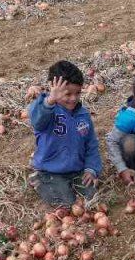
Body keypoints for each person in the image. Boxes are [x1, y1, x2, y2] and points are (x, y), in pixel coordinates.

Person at [29, 60, 102, 207]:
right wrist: (50, 100)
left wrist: (91, 168)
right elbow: (37, 121)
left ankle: (75, 179)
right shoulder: (45, 108)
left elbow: (91, 144)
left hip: (77, 169)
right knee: (64, 203)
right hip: (50, 170)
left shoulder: (83, 115)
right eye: (67, 94)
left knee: (92, 197)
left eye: (77, 93)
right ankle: (38, 178)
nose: (73, 98)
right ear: (52, 88)